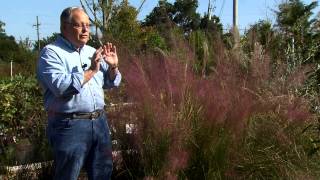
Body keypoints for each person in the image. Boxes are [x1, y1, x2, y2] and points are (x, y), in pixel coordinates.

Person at [37, 6, 121, 180]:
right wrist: (91, 70)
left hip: (99, 122)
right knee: (67, 175)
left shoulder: (92, 52)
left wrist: (113, 67)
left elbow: (110, 82)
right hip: (69, 125)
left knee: (103, 173)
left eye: (88, 25)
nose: (85, 30)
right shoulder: (51, 53)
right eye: (79, 25)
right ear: (64, 27)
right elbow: (61, 88)